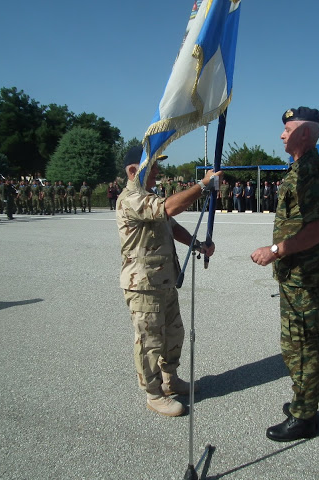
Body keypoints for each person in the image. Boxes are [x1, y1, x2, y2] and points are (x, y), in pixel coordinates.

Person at [117, 146, 222, 417]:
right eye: (152, 167)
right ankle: (154, 394)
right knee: (149, 340)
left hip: (164, 279)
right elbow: (169, 207)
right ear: (133, 171)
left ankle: (170, 379)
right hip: (143, 285)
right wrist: (202, 185)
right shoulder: (131, 199)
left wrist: (198, 244)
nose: (157, 171)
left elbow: (172, 226)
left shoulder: (148, 197)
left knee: (174, 333)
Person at [251, 106, 319, 442]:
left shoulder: (310, 172)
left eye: (287, 129)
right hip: (297, 275)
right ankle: (305, 404)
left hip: (304, 276)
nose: (281, 135)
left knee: (300, 346)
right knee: (302, 343)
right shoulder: (301, 168)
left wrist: (274, 251)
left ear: (303, 133)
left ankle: (305, 417)